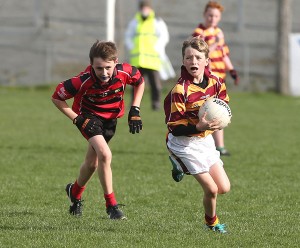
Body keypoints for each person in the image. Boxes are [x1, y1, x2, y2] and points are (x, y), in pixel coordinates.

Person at [51, 40, 145, 220]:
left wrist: (135, 109)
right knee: (105, 154)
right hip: (89, 119)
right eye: (98, 68)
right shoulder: (82, 80)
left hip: (110, 120)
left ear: (115, 61)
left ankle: (75, 192)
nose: (104, 73)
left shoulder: (125, 71)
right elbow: (57, 97)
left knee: (92, 163)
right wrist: (77, 119)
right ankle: (112, 206)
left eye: (108, 68)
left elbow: (140, 81)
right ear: (91, 64)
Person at [164, 37, 231, 233]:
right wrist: (199, 126)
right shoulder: (180, 90)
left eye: (197, 57)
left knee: (224, 188)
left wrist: (222, 120)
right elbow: (175, 128)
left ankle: (179, 167)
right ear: (183, 61)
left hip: (205, 141)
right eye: (188, 57)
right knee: (211, 190)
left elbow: (223, 106)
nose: (193, 61)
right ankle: (212, 223)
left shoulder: (217, 83)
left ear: (206, 60)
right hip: (182, 143)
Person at [192, 1, 239, 156]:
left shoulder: (219, 32)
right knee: (204, 111)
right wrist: (216, 43)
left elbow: (224, 53)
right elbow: (200, 54)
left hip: (220, 79)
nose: (213, 18)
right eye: (210, 15)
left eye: (216, 16)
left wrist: (231, 70)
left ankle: (219, 146)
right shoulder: (199, 32)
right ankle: (198, 144)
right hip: (206, 79)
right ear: (204, 15)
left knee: (219, 111)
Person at [125, 0, 173, 111]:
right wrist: (131, 47)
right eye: (143, 8)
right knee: (135, 84)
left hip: (152, 60)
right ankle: (134, 104)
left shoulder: (157, 22)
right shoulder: (134, 22)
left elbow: (164, 37)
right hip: (138, 60)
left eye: (146, 8)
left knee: (155, 85)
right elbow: (128, 36)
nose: (144, 10)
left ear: (150, 9)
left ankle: (156, 104)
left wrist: (157, 48)